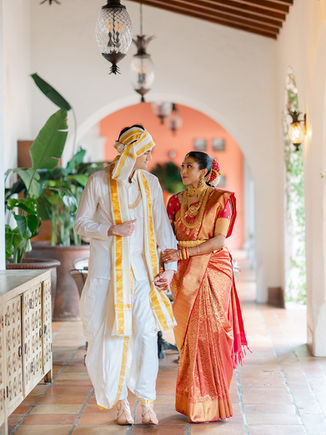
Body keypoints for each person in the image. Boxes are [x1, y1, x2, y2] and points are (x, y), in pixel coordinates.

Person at [74, 125, 177, 426]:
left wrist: (169, 269)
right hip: (108, 275)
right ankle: (121, 404)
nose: (149, 156)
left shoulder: (151, 182)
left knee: (145, 334)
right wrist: (109, 230)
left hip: (142, 275)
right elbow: (81, 224)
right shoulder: (98, 182)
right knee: (111, 338)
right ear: (130, 150)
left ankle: (146, 402)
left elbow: (162, 227)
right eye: (145, 150)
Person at [161, 151, 248, 423]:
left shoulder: (222, 199)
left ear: (204, 171)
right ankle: (193, 402)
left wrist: (184, 255)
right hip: (183, 271)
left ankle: (213, 402)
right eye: (182, 166)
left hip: (212, 268)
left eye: (190, 166)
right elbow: (167, 236)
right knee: (188, 337)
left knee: (209, 332)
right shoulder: (175, 201)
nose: (183, 170)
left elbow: (219, 240)